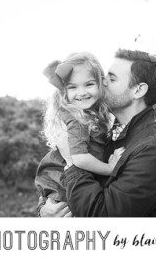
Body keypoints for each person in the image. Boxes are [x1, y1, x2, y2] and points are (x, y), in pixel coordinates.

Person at [39, 49, 156, 217]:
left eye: (111, 79)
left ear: (138, 90)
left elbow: (104, 214)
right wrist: (45, 209)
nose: (102, 83)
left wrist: (71, 163)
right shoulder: (107, 127)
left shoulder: (153, 150)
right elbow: (55, 172)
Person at [35, 53, 123, 204]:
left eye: (89, 84)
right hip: (65, 185)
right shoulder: (77, 117)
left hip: (77, 181)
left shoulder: (92, 111)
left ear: (101, 83)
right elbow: (80, 159)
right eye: (72, 87)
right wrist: (110, 168)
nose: (82, 93)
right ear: (64, 91)